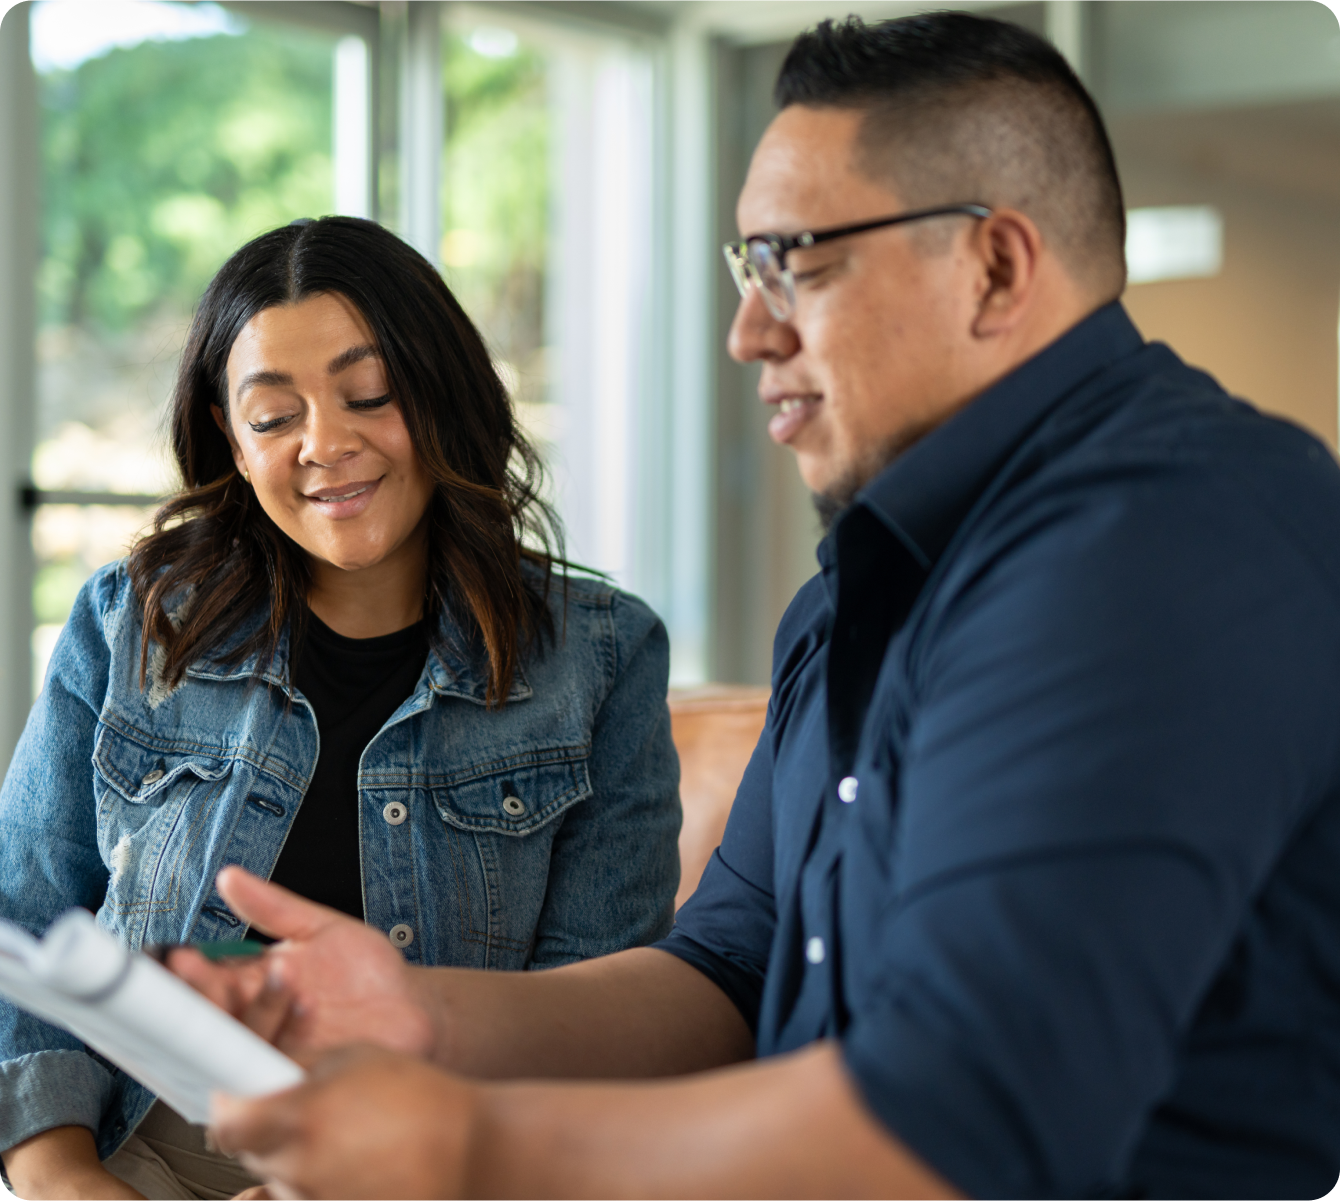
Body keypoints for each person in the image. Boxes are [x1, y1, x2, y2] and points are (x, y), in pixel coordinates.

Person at [178, 13, 1340, 1201]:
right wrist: (414, 1013)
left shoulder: (1162, 540)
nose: (747, 331)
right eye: (747, 268)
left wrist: (467, 1152)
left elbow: (971, 1111)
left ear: (992, 265)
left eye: (796, 259)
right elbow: (727, 971)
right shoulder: (853, 596)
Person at [0, 217, 681, 1201]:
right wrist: (61, 1178)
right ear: (232, 445)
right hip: (124, 1145)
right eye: (273, 417)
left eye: (370, 395)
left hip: (428, 1164)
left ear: (443, 395)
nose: (326, 443)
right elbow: (23, 913)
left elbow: (594, 1014)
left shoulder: (601, 657)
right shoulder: (129, 619)